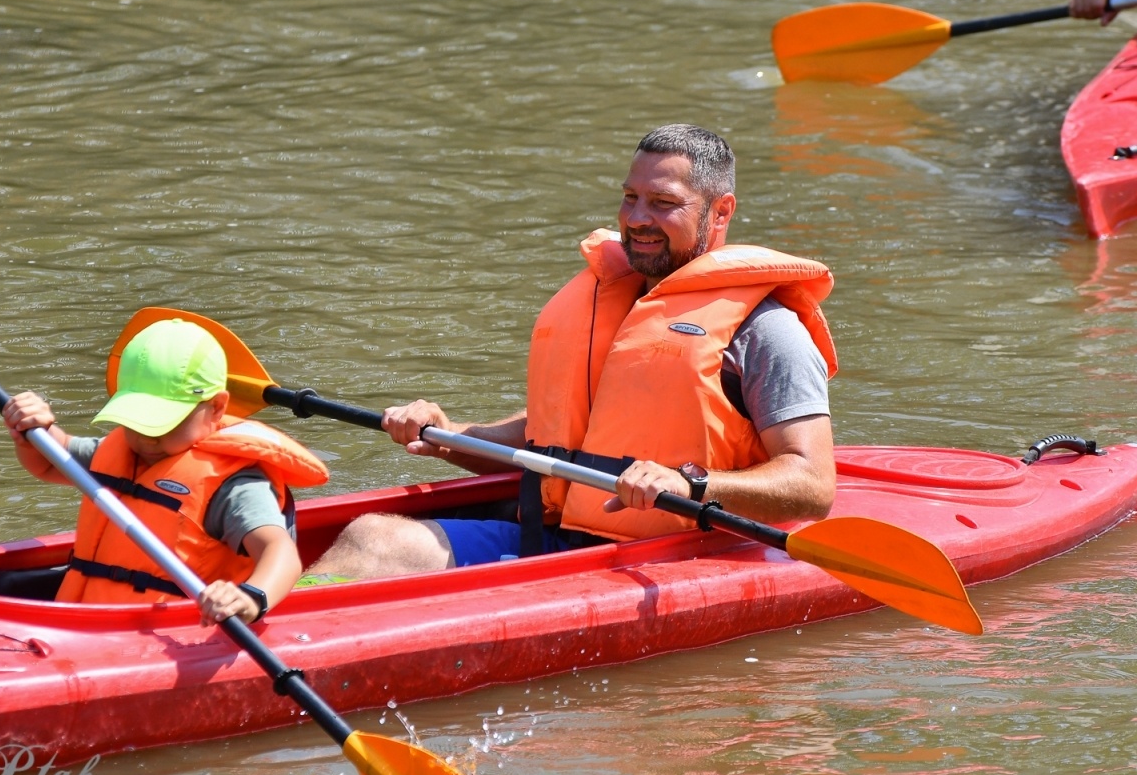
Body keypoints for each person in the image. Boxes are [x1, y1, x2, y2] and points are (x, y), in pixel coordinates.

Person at [301, 124, 838, 581]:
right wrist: (449, 435)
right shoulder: (617, 298)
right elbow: (561, 438)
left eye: (663, 203)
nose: (638, 218)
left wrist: (690, 482)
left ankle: (281, 644)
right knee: (371, 535)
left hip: (667, 560)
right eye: (630, 198)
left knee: (379, 543)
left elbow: (812, 485)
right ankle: (277, 632)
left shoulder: (767, 330)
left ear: (721, 212)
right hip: (558, 538)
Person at [1, 318, 328, 624]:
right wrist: (35, 428)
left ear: (216, 407)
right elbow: (49, 461)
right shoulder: (120, 451)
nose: (147, 436)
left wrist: (251, 598)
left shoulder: (235, 486)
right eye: (136, 420)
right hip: (83, 625)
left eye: (164, 422)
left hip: (173, 633)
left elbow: (280, 551)